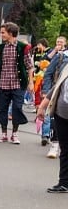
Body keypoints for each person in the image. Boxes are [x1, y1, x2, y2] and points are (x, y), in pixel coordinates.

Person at [0, 22, 33, 144]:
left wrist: (31, 82)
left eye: (3, 32)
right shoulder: (0, 48)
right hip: (3, 83)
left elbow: (30, 66)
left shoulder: (22, 47)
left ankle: (14, 134)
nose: (1, 35)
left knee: (16, 108)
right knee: (2, 109)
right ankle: (4, 133)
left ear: (10, 33)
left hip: (18, 84)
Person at [39, 57, 68, 192]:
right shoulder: (66, 67)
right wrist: (43, 106)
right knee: (65, 150)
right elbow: (57, 87)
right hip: (61, 114)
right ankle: (64, 183)